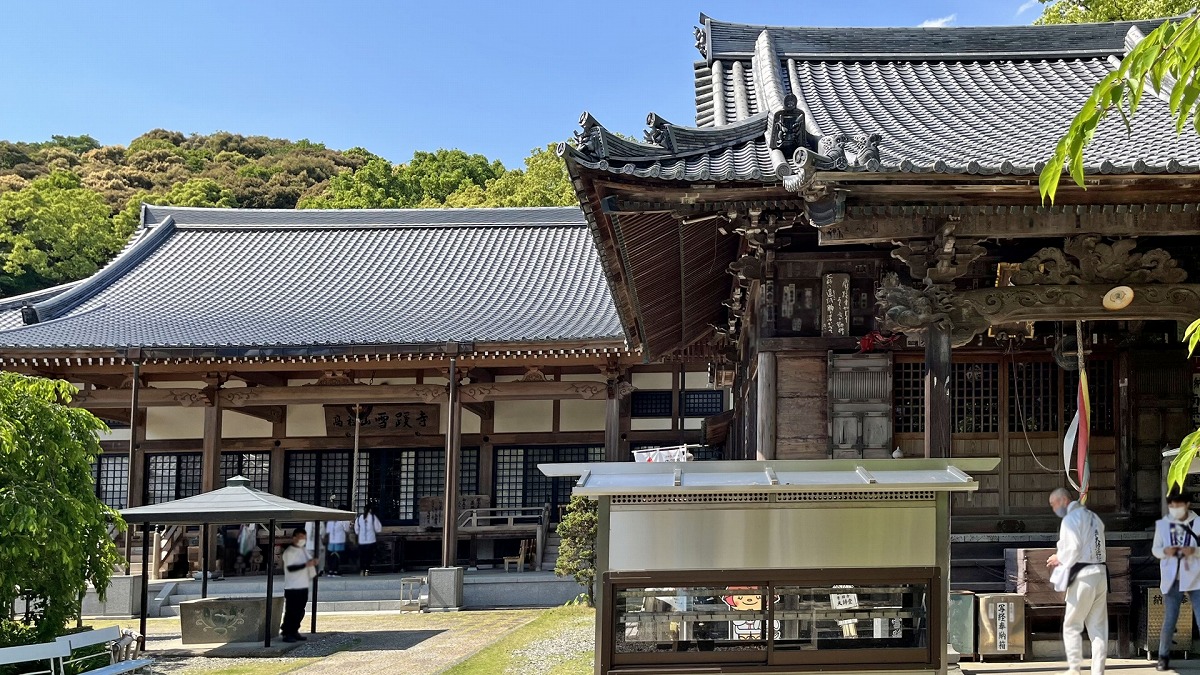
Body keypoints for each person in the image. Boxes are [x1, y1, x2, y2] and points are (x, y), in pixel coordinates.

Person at [1047, 487, 1108, 675]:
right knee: (1098, 629)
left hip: (1083, 576)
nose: (1053, 509)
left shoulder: (1071, 519)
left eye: (1053, 504)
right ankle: (1097, 672)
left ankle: (1074, 669)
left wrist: (1059, 558)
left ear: (1064, 500)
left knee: (1072, 625)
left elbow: (1072, 548)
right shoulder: (1094, 517)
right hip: (1100, 574)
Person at [1152, 490, 1200, 671]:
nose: (1174, 509)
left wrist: (1194, 551)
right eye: (1171, 506)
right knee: (1170, 618)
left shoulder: (1198, 523)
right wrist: (1166, 551)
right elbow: (1155, 549)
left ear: (1187, 505)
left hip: (1195, 577)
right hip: (1172, 578)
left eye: (1177, 505)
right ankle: (1163, 657)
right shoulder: (1164, 525)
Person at [280, 527, 317, 643]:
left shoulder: (303, 550)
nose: (302, 540)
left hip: (303, 584)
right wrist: (306, 565)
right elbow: (291, 567)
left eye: (304, 538)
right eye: (300, 537)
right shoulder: (289, 552)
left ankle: (294, 630)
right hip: (292, 586)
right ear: (294, 538)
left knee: (300, 610)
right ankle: (287, 632)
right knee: (292, 610)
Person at [355, 505, 382, 576]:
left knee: (362, 556)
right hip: (370, 540)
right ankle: (367, 570)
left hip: (361, 540)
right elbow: (378, 529)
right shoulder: (373, 517)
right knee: (369, 556)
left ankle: (361, 570)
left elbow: (356, 530)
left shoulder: (359, 518)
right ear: (370, 510)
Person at [325, 512, 352, 577]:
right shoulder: (343, 520)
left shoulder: (330, 521)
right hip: (339, 540)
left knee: (331, 556)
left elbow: (327, 531)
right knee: (337, 556)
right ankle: (335, 570)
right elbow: (347, 529)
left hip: (331, 540)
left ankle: (331, 570)